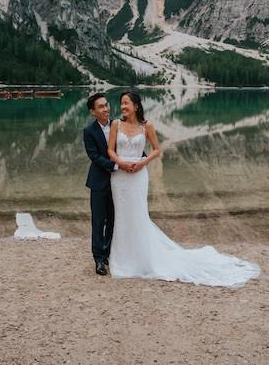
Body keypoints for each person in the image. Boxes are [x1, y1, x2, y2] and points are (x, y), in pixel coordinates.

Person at [106, 90, 261, 287]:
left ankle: (141, 258)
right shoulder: (116, 125)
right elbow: (110, 150)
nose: (123, 107)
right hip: (120, 176)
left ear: (136, 106)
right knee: (121, 215)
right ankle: (122, 258)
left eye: (126, 103)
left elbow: (157, 149)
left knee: (138, 215)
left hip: (138, 175)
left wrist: (143, 162)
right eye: (121, 104)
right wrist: (121, 162)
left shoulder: (147, 126)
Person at [82, 92, 126, 276]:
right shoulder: (89, 131)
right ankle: (98, 259)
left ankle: (108, 252)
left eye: (107, 105)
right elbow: (94, 156)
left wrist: (140, 159)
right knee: (98, 221)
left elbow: (127, 144)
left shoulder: (118, 125)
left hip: (118, 182)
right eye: (101, 107)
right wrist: (116, 165)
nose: (106, 109)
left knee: (114, 219)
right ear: (93, 112)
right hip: (99, 182)